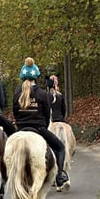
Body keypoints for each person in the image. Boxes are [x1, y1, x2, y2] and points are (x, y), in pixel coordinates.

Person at [12, 57, 69, 187]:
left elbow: (15, 113)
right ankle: (60, 176)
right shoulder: (42, 94)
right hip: (39, 129)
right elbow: (46, 114)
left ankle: (6, 175)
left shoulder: (17, 94)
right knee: (60, 148)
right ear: (36, 77)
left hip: (21, 129)